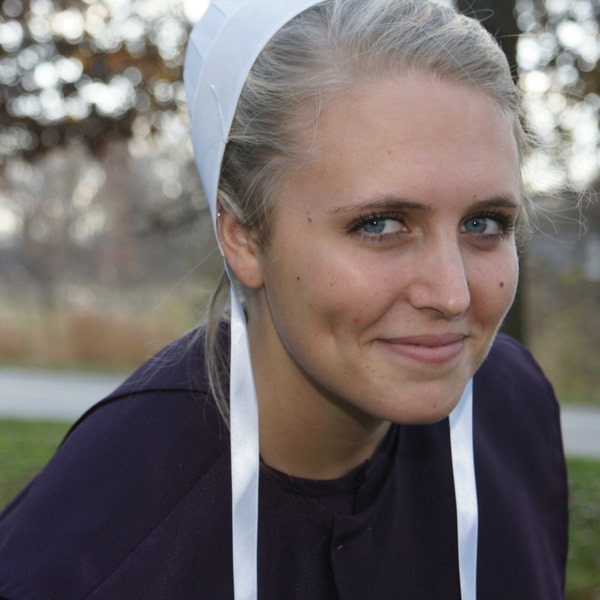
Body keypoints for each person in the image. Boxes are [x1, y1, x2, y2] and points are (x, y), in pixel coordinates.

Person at [0, 0, 568, 598]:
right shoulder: (99, 543)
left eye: (484, 224)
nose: (452, 295)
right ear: (242, 236)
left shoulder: (513, 413)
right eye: (379, 224)